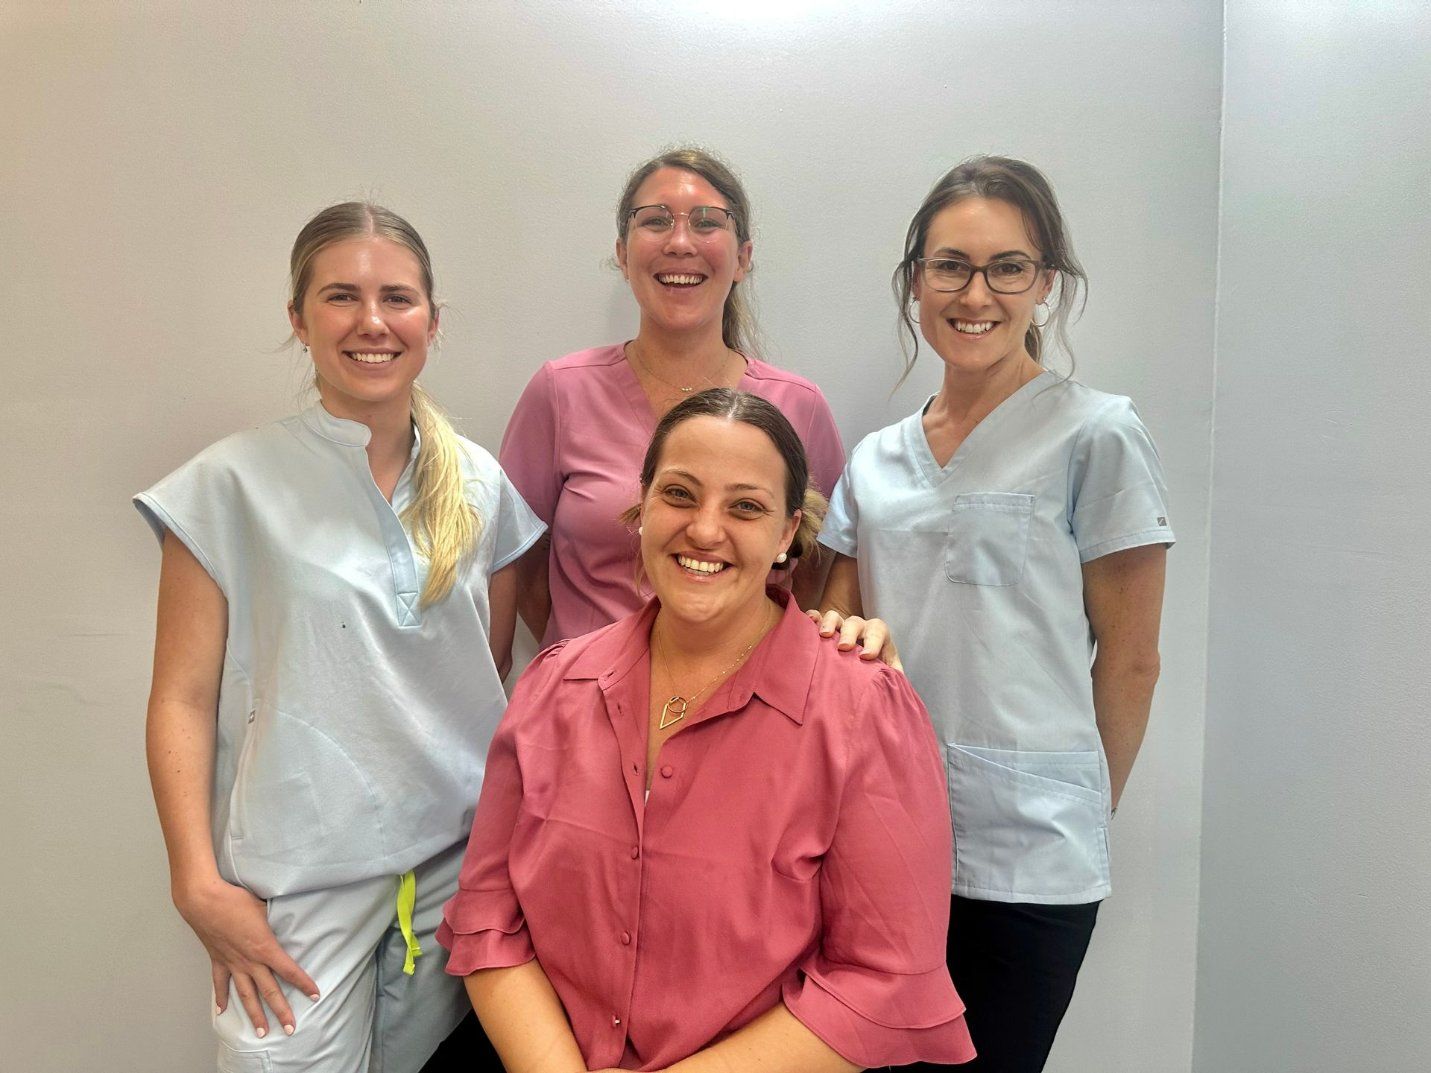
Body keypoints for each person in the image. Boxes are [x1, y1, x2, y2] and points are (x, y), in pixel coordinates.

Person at [439, 389, 975, 1073]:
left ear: (788, 533)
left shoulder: (863, 710)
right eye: (679, 494)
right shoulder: (551, 688)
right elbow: (490, 919)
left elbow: (884, 977)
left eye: (745, 506)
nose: (704, 529)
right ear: (641, 508)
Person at [136, 202, 543, 1072]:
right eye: (340, 296)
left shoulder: (482, 486)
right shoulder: (227, 485)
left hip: (461, 873)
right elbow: (181, 695)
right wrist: (197, 882)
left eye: (396, 297)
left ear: (431, 319)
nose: (371, 322)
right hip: (300, 879)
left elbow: (488, 677)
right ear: (297, 318)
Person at [815, 157, 1174, 1073]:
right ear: (915, 281)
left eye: (1007, 267)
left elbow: (1131, 660)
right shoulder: (875, 461)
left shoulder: (1097, 435)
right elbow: (832, 646)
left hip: (1030, 861)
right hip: (879, 847)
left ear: (1044, 283)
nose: (976, 293)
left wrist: (1083, 806)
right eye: (950, 266)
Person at [501, 147, 845, 648]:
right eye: (656, 221)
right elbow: (519, 561)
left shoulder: (800, 407)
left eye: (707, 222)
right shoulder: (559, 391)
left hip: (743, 709)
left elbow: (812, 571)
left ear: (743, 258)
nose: (680, 242)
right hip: (585, 704)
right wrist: (590, 656)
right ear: (622, 253)